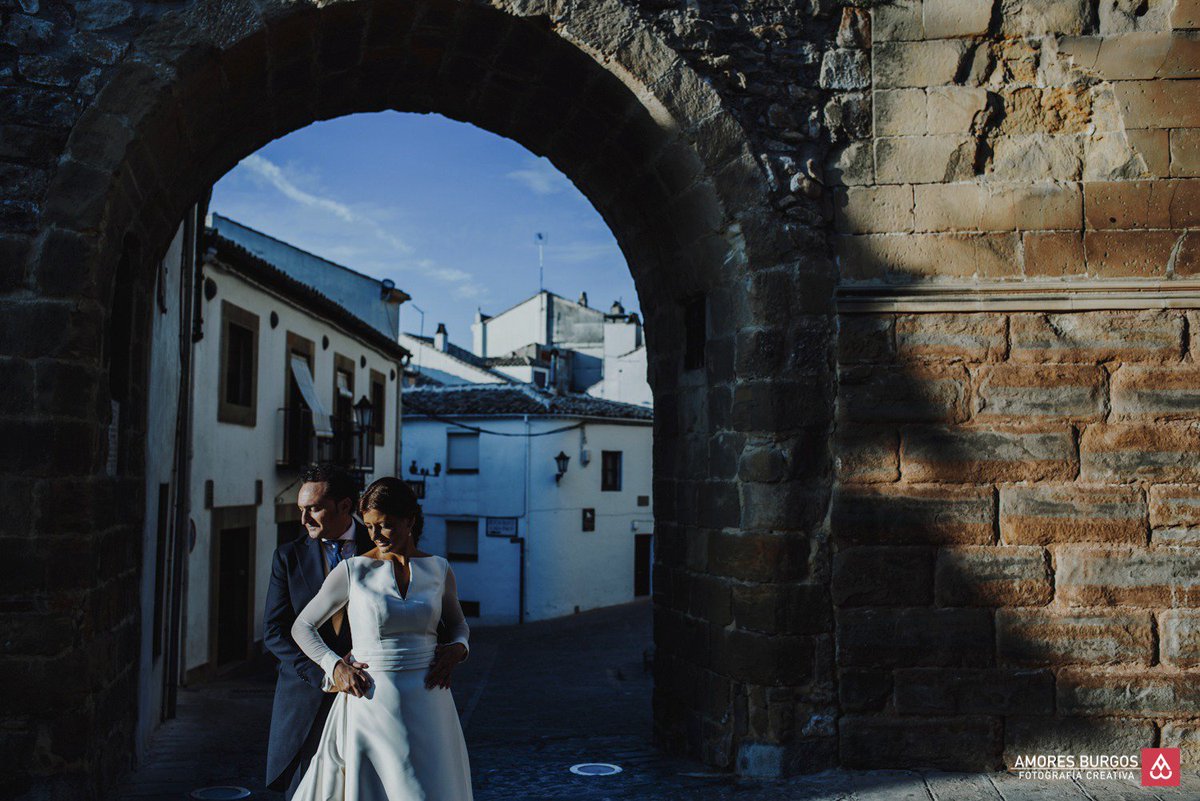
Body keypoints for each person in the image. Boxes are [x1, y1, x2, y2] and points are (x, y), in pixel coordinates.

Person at [289, 476, 473, 800]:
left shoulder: (439, 569)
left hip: (431, 700)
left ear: (410, 521)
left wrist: (459, 648)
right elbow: (302, 626)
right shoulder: (353, 570)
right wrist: (335, 667)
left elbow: (458, 624)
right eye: (370, 525)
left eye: (385, 525)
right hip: (373, 703)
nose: (375, 535)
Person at [264, 464, 374, 799]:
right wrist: (328, 672)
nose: (304, 520)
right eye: (301, 510)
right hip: (306, 696)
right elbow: (274, 631)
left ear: (346, 506)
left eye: (313, 509)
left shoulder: (383, 549)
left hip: (370, 694)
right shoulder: (288, 557)